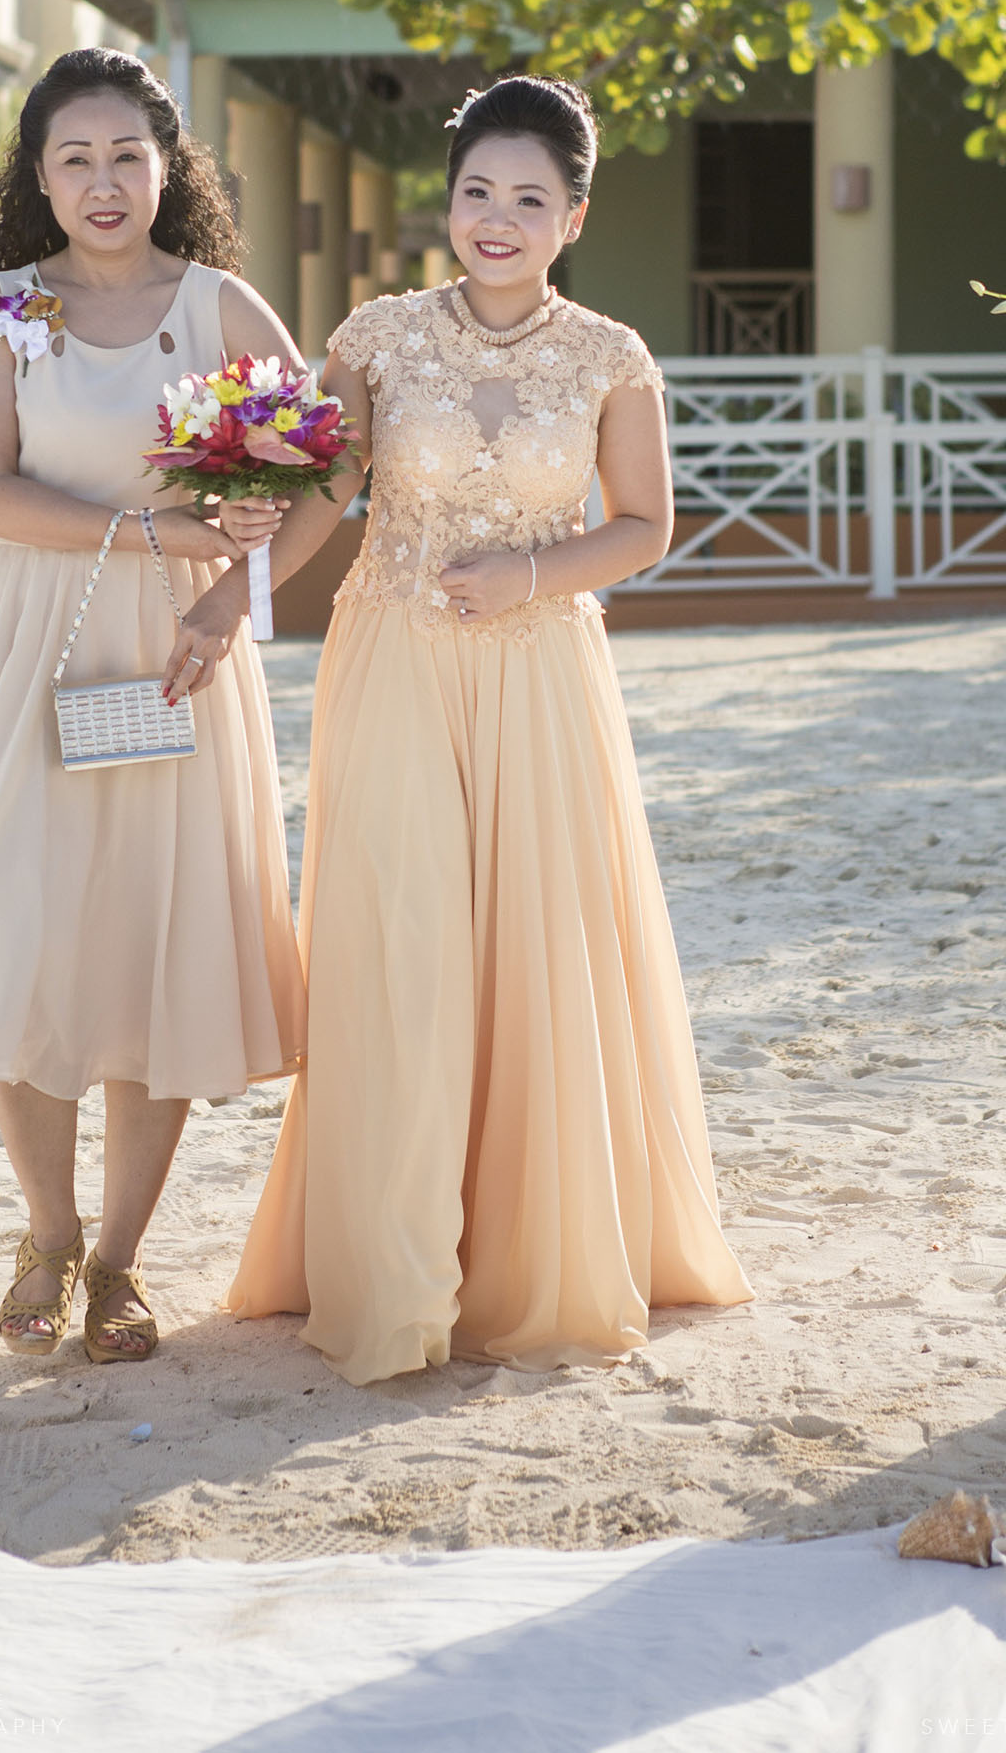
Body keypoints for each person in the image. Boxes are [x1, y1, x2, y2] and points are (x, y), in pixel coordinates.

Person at [211, 75, 753, 1384]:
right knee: (402, 944)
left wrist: (531, 575)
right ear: (445, 204)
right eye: (475, 194)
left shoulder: (614, 357)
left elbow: (644, 525)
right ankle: (392, 1267)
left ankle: (529, 1257)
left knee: (535, 945)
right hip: (394, 658)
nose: (496, 220)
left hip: (544, 677)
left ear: (572, 215)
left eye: (527, 199)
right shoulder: (377, 340)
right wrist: (232, 589)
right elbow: (324, 498)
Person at [0, 49, 302, 1364]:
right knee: (23, 920)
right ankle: (46, 1232)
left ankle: (119, 1262)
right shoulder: (7, 310)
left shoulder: (220, 306)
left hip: (175, 648)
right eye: (76, 159)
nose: (104, 183)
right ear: (39, 178)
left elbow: (326, 459)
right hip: (32, 636)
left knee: (151, 934)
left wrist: (237, 586)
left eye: (127, 156)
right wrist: (152, 527)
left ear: (169, 168)